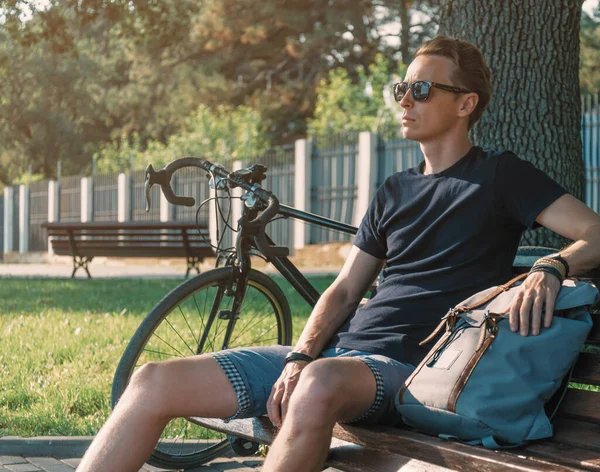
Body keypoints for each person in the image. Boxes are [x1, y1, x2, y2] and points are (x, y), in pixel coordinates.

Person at [78, 35, 600, 472]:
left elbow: (594, 232)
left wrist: (553, 265)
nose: (406, 101)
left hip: (411, 373)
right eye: (402, 89)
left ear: (466, 103)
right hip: (335, 361)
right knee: (154, 381)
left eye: (421, 89)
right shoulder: (395, 190)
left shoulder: (499, 176)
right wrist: (301, 354)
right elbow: (346, 289)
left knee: (319, 383)